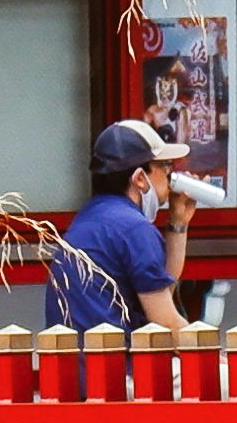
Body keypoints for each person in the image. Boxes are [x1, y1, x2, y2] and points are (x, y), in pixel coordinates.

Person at [43, 117, 192, 334]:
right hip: (117, 365)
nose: (170, 176)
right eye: (165, 166)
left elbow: (159, 294)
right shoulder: (133, 229)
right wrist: (219, 357)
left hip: (74, 364)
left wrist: (178, 224)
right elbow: (165, 323)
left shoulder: (91, 216)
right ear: (140, 178)